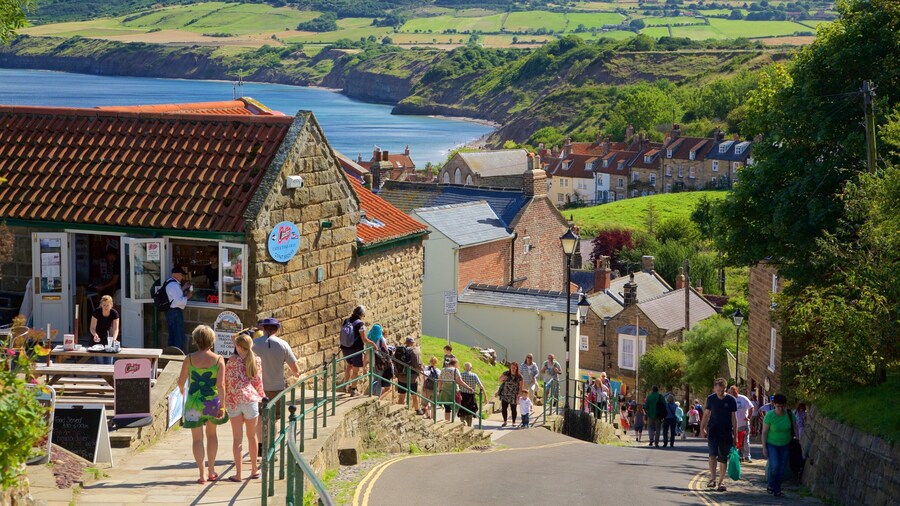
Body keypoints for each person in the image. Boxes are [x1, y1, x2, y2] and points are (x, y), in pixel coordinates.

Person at [178, 325, 228, 484]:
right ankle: (212, 470)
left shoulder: (189, 359)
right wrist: (222, 405)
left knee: (197, 439)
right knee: (212, 435)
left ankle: (202, 474)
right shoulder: (219, 360)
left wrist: (183, 390)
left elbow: (181, 381)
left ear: (195, 340)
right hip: (212, 401)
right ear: (212, 340)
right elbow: (221, 385)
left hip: (194, 401)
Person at [253, 317, 300, 447]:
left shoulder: (253, 344)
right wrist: (296, 374)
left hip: (257, 388)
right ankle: (271, 446)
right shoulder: (283, 344)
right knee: (274, 418)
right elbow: (295, 369)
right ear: (277, 329)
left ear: (263, 328)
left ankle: (260, 446)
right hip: (276, 387)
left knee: (260, 417)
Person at [224, 333, 264, 482]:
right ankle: (254, 470)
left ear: (239, 347)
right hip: (250, 400)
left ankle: (239, 474)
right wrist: (261, 396)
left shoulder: (232, 361)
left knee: (237, 439)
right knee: (252, 436)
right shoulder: (256, 360)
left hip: (234, 400)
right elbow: (258, 381)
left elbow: (227, 380)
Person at [700, 378, 738, 492]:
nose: (719, 393)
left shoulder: (731, 400)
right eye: (717, 390)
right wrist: (702, 428)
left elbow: (734, 418)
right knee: (712, 455)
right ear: (714, 389)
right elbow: (706, 414)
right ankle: (712, 479)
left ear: (725, 389)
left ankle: (721, 482)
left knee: (723, 457)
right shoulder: (711, 398)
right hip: (713, 430)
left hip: (726, 432)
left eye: (721, 391)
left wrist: (735, 436)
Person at [762, 393, 793, 498]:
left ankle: (777, 489)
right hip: (772, 444)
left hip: (785, 444)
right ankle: (771, 484)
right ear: (774, 404)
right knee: (774, 466)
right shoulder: (770, 415)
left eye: (782, 406)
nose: (780, 408)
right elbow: (764, 432)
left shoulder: (789, 414)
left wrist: (797, 440)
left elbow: (795, 427)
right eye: (778, 406)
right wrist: (764, 447)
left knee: (782, 468)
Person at [340, 306, 372, 396]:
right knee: (355, 370)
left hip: (345, 347)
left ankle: (345, 385)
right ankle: (353, 390)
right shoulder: (360, 324)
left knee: (349, 365)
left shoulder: (346, 321)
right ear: (362, 314)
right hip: (356, 349)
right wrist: (373, 344)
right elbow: (364, 339)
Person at [163, 266, 193, 352]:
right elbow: (178, 301)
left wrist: (184, 287)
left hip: (169, 312)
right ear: (177, 274)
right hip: (175, 312)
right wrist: (188, 296)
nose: (182, 277)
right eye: (182, 275)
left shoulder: (169, 282)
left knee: (172, 335)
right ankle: (177, 354)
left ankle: (170, 353)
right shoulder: (174, 285)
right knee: (179, 336)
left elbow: (173, 295)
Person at [395, 336, 423, 415]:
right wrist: (420, 371)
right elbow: (418, 365)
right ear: (413, 343)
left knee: (402, 395)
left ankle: (399, 410)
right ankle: (417, 410)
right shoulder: (414, 351)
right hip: (412, 377)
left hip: (401, 377)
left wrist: (397, 374)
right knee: (414, 395)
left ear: (406, 343)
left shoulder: (400, 351)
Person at [88, 295, 119, 365]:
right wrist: (95, 334)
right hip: (98, 338)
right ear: (101, 304)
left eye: (107, 305)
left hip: (109, 337)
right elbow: (92, 328)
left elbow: (116, 329)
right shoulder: (96, 312)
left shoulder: (114, 313)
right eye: (104, 305)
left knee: (109, 362)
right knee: (100, 362)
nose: (105, 307)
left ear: (111, 305)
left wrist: (114, 339)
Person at [437, 357, 470, 422]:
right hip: (454, 391)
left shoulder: (443, 369)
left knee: (447, 408)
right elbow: (460, 381)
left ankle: (447, 421)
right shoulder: (455, 370)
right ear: (455, 363)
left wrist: (439, 390)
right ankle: (452, 420)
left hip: (444, 390)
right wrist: (469, 388)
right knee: (457, 405)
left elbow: (440, 381)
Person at [730, 385, 755, 462]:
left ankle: (747, 456)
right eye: (731, 392)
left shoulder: (743, 398)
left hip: (744, 424)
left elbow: (751, 407)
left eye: (734, 391)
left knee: (745, 440)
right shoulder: (729, 399)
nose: (732, 393)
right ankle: (738, 456)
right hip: (733, 425)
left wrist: (749, 417)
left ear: (737, 391)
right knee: (735, 440)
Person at [368, 324, 393, 401]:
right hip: (379, 362)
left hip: (372, 362)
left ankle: (371, 394)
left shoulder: (369, 338)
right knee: (379, 380)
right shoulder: (381, 339)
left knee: (374, 379)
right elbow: (386, 350)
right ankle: (377, 398)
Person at [459, 362, 486, 427]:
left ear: (464, 368)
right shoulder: (474, 376)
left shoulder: (460, 375)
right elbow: (481, 386)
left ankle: (463, 423)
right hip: (471, 396)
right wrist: (485, 396)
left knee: (462, 411)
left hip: (462, 395)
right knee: (470, 413)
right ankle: (469, 426)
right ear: (471, 368)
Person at [498, 362, 524, 427]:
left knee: (513, 409)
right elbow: (499, 379)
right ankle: (505, 421)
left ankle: (513, 422)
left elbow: (521, 387)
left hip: (514, 395)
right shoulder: (506, 373)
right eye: (512, 367)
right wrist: (503, 378)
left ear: (516, 368)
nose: (513, 369)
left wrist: (519, 395)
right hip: (505, 394)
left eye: (514, 368)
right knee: (504, 408)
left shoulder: (519, 376)